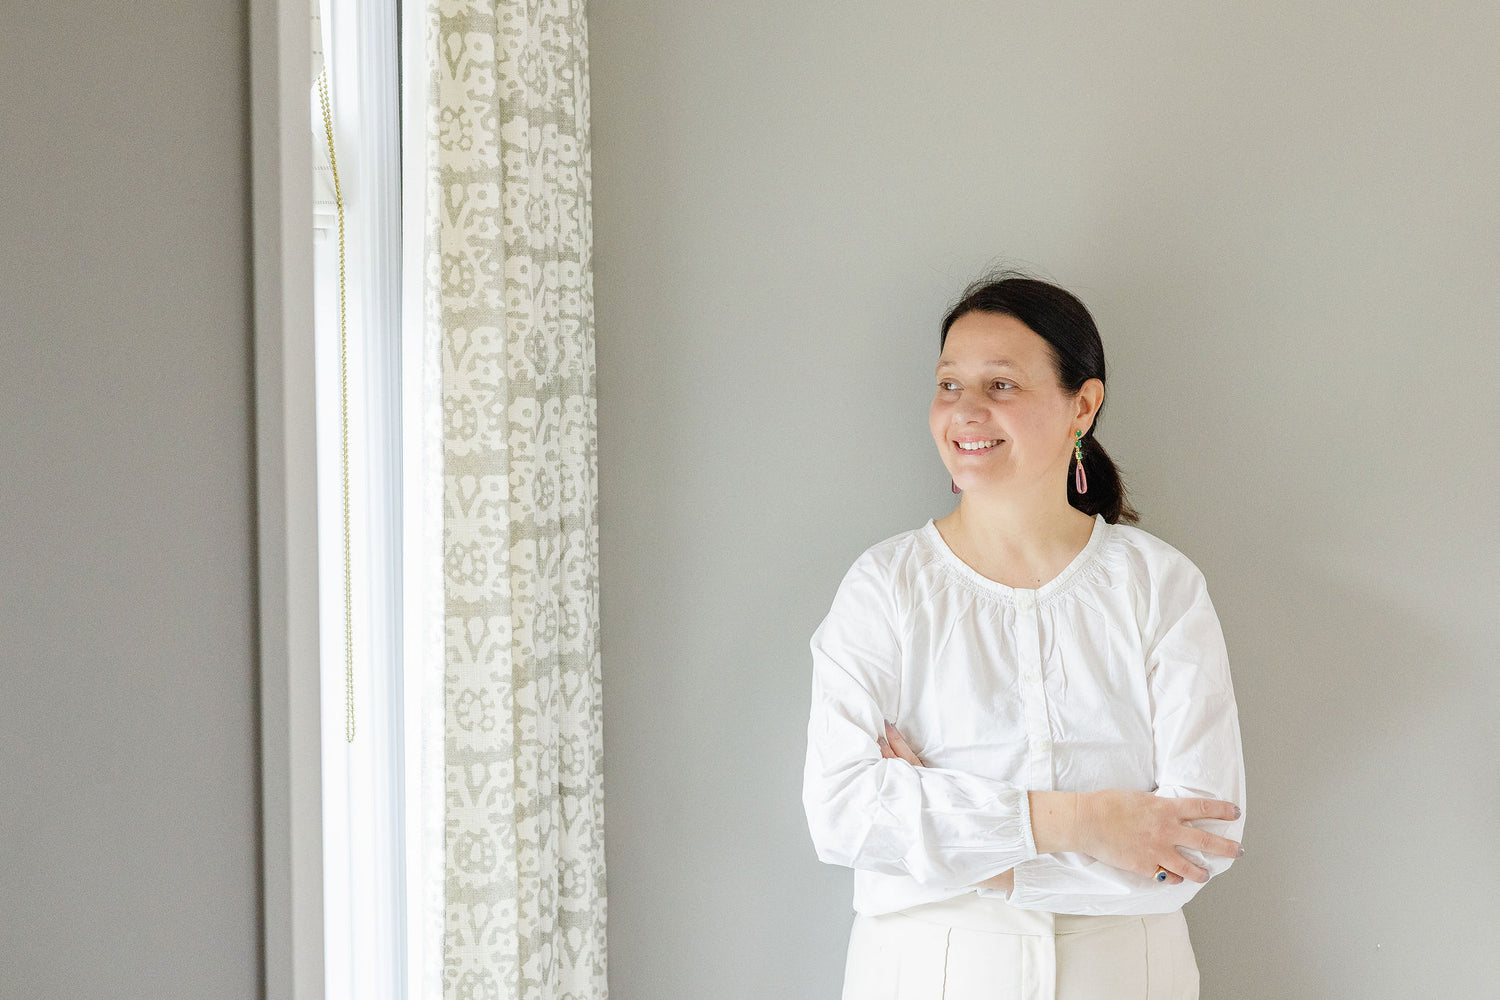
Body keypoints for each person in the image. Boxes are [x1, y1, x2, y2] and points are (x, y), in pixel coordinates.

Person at [801, 271, 1247, 1000]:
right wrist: (1087, 822)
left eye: (1001, 384)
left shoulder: (1158, 584)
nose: (965, 411)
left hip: (1127, 975)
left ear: (1083, 405)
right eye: (949, 384)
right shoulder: (885, 586)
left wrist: (953, 844)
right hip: (925, 974)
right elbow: (845, 815)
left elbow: (1200, 842)